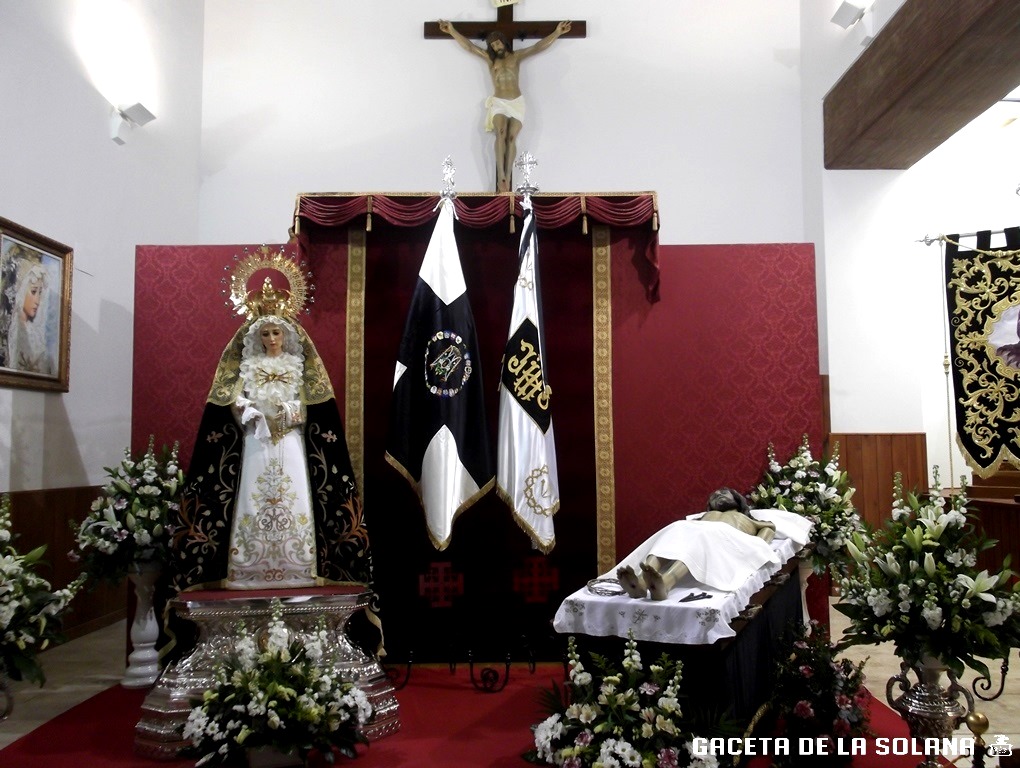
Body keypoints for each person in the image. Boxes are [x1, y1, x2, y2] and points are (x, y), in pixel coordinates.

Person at [438, 19, 572, 193]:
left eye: (498, 43)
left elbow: (537, 47)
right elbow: (470, 47)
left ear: (504, 42)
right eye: (492, 45)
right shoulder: (490, 60)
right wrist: (452, 31)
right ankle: (501, 175)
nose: (496, 47)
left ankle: (508, 175)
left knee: (511, 138)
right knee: (500, 133)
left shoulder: (516, 57)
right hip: (499, 102)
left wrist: (557, 32)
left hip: (516, 102)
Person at [616, 488, 779, 600]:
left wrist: (753, 550)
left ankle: (665, 583)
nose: (718, 495)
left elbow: (763, 541)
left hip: (728, 539)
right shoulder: (704, 517)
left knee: (703, 535)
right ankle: (641, 582)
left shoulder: (751, 520)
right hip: (704, 532)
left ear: (737, 499)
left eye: (723, 492)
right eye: (714, 496)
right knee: (677, 527)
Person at [5, 260, 54, 375]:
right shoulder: (16, 332)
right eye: (33, 291)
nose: (37, 301)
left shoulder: (36, 334)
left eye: (40, 293)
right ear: (22, 291)